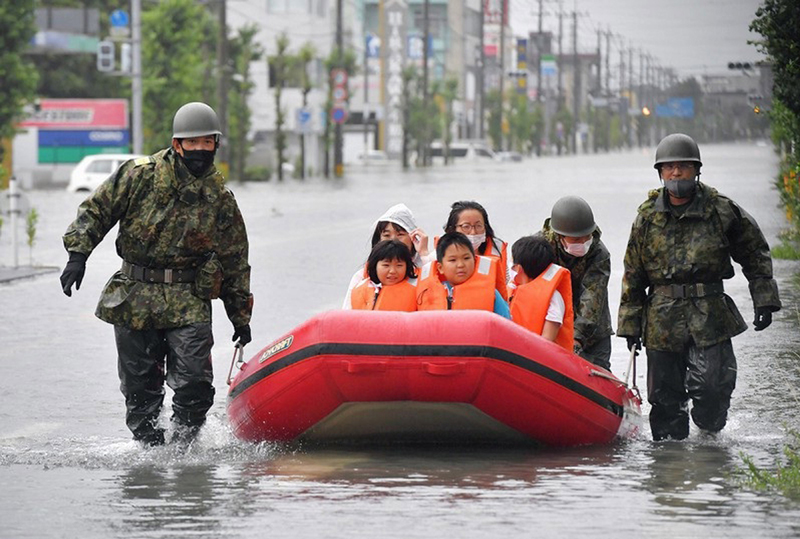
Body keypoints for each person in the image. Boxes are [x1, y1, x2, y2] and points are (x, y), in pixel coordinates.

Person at [59, 102, 253, 447]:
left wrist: (240, 316)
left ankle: (183, 450)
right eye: (192, 143)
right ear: (177, 144)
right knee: (139, 387)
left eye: (207, 143)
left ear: (216, 145)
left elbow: (235, 258)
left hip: (189, 298)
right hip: (135, 294)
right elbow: (97, 209)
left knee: (195, 382)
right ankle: (149, 451)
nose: (199, 150)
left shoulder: (219, 198)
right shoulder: (139, 175)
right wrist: (78, 254)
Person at [618, 133, 781, 441]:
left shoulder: (720, 210)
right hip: (662, 318)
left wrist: (764, 299)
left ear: (696, 170)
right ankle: (669, 469)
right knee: (664, 402)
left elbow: (754, 251)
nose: (676, 173)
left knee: (713, 389)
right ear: (660, 172)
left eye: (683, 167)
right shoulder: (647, 217)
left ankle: (710, 445)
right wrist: (630, 325)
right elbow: (633, 272)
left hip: (710, 314)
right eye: (669, 168)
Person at [538, 196, 613, 369]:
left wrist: (577, 337)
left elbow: (593, 295)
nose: (582, 243)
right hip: (551, 326)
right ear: (560, 236)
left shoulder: (599, 252)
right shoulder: (541, 247)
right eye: (575, 240)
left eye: (585, 238)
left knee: (599, 373)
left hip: (593, 330)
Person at [343, 203, 431, 308]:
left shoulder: (426, 271)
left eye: (400, 235)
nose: (393, 240)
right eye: (386, 235)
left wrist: (424, 253)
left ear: (413, 239)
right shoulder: (361, 277)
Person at [416, 232, 511, 318]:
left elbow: (506, 324)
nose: (461, 265)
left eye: (466, 258)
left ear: (474, 261)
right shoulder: (425, 294)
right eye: (453, 260)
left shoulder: (491, 293)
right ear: (440, 268)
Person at [508, 235, 574, 351]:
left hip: (537, 358)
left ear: (518, 268)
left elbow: (547, 340)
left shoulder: (553, 298)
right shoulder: (511, 289)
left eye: (511, 260)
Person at [442, 201, 509, 300]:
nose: (473, 232)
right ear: (452, 229)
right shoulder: (439, 255)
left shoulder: (497, 250)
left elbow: (505, 282)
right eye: (466, 227)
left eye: (478, 226)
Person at [350, 239, 418, 311]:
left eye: (399, 265)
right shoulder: (360, 288)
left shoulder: (418, 290)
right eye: (386, 265)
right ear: (374, 265)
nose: (392, 271)